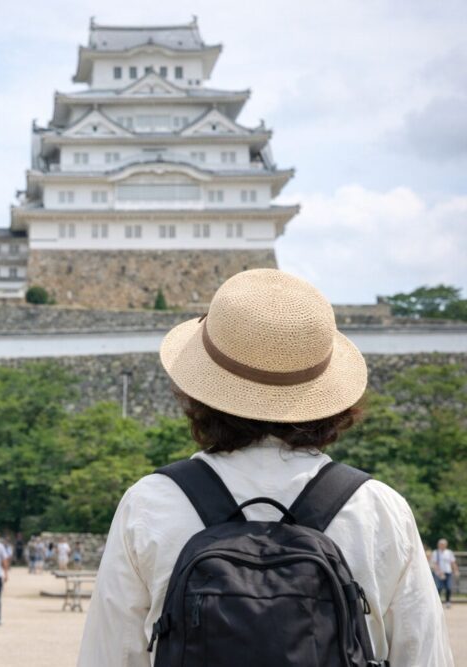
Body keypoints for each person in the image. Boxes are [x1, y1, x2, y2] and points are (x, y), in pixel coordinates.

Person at [79, 269, 453, 666]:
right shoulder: (379, 509)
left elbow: (109, 654)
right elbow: (424, 655)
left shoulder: (150, 502)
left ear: (196, 393)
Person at [432, 538, 459, 608]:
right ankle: (437, 602)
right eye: (441, 544)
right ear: (438, 545)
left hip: (448, 572)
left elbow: (453, 562)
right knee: (439, 588)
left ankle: (448, 602)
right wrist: (440, 572)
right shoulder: (436, 552)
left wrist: (456, 570)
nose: (442, 545)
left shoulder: (449, 552)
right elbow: (435, 564)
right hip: (439, 573)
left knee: (449, 588)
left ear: (446, 545)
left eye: (444, 544)